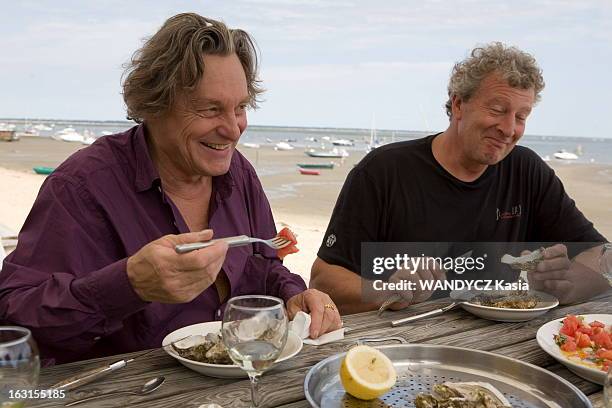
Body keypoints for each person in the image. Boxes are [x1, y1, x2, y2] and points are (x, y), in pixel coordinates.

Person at [0, 13, 341, 365]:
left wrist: (293, 294)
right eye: (211, 109)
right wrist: (128, 285)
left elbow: (263, 265)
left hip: (240, 381)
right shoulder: (82, 186)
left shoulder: (239, 173)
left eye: (240, 107)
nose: (234, 129)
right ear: (155, 105)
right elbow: (16, 318)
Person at [310, 42, 609, 314]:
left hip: (500, 341)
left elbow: (601, 254)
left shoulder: (526, 170)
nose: (508, 128)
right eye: (497, 109)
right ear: (457, 105)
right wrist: (386, 290)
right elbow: (323, 280)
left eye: (521, 116)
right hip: (396, 342)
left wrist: (568, 283)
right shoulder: (383, 171)